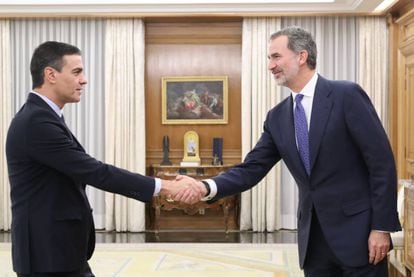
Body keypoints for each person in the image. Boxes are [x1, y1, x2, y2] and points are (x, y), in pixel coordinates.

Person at [176, 26, 401, 276]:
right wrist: (206, 187)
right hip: (313, 241)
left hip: (359, 234)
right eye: (269, 58)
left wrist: (381, 227)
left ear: (301, 56)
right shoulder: (278, 117)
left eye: (276, 56)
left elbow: (381, 163)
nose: (270, 65)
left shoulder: (346, 95)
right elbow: (252, 169)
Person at [5, 41, 202, 276]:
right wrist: (165, 187)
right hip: (47, 254)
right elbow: (94, 172)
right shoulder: (36, 122)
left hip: (57, 250)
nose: (84, 80)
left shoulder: (43, 116)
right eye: (76, 72)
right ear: (50, 75)